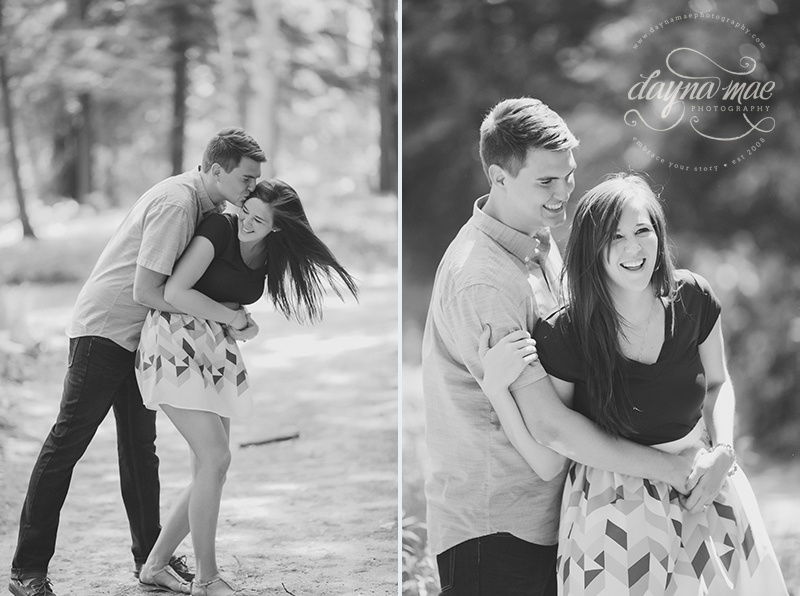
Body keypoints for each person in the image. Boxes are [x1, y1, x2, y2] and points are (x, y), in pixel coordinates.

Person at [421, 98, 701, 596]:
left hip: (558, 516)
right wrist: (672, 469)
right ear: (498, 177)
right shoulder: (482, 281)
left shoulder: (540, 245)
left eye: (567, 176)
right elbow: (551, 429)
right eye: (545, 181)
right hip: (498, 527)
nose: (562, 193)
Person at [480, 173, 788, 594]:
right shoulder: (567, 333)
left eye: (643, 230)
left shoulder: (693, 298)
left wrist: (723, 452)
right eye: (614, 237)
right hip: (611, 507)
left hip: (703, 482)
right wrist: (496, 390)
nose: (633, 248)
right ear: (592, 249)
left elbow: (718, 384)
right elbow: (550, 450)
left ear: (659, 235)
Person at [8, 128, 266, 596]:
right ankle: (27, 571)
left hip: (140, 337)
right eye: (246, 178)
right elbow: (147, 291)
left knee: (139, 450)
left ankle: (152, 560)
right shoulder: (177, 203)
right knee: (67, 443)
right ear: (214, 170)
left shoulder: (209, 208)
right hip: (105, 330)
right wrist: (224, 315)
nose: (251, 189)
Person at [134, 179, 358, 596]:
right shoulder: (219, 228)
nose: (247, 223)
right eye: (246, 212)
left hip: (214, 351)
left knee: (210, 470)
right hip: (172, 343)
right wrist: (233, 319)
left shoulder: (271, 253)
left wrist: (240, 320)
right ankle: (207, 578)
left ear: (277, 227)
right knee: (216, 458)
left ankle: (155, 564)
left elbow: (229, 298)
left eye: (259, 219)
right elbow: (176, 291)